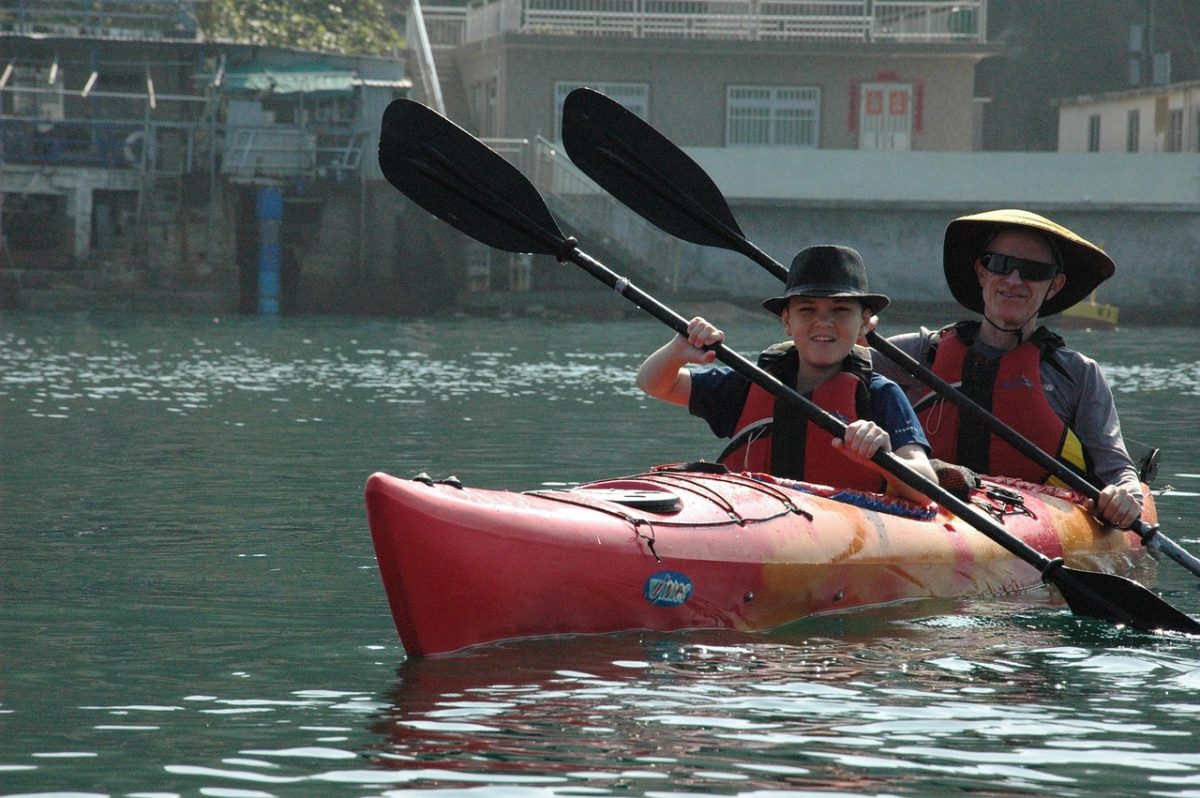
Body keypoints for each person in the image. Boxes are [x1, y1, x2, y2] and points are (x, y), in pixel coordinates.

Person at [870, 209, 1142, 527]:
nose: (1013, 279)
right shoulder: (916, 353)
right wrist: (848, 331)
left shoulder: (1079, 374)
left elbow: (1117, 470)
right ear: (982, 272)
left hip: (1033, 526)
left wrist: (1125, 495)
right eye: (999, 264)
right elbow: (825, 361)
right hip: (926, 520)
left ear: (1054, 286)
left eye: (1032, 270)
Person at [637, 244, 937, 503]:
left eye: (841, 311)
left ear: (864, 324)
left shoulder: (881, 395)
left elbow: (926, 486)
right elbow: (653, 384)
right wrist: (678, 350)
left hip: (848, 536)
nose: (823, 323)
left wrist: (885, 457)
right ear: (786, 321)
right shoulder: (751, 384)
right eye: (807, 310)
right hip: (755, 528)